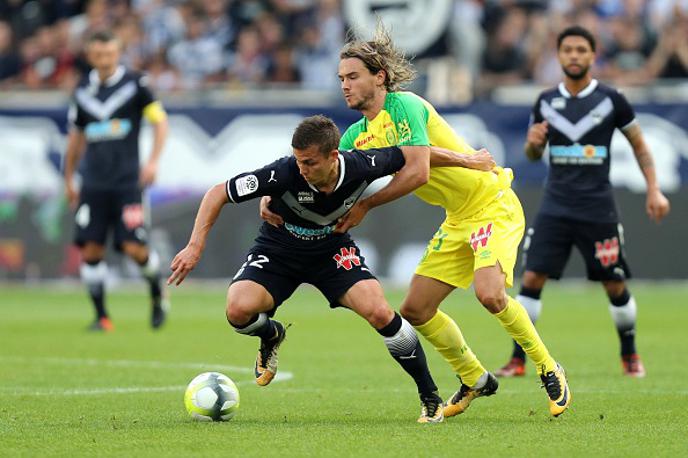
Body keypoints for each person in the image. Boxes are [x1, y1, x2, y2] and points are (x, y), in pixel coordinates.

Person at [261, 24, 571, 418]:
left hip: (491, 202)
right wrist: (274, 193)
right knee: (416, 309)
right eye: (341, 78)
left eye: (353, 77)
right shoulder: (357, 134)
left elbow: (417, 171)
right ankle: (474, 378)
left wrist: (367, 207)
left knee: (489, 294)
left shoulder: (404, 106)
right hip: (458, 217)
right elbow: (318, 166)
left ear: (380, 77)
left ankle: (547, 366)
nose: (345, 85)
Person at [168, 115, 454, 423]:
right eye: (298, 161)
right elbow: (218, 193)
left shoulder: (363, 164)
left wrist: (466, 159)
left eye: (309, 162)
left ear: (334, 157)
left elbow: (417, 156)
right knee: (238, 310)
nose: (301, 169)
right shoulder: (283, 172)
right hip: (279, 249)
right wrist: (195, 246)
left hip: (331, 250)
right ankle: (271, 334)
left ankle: (430, 396)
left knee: (381, 313)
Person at [495, 25, 670, 379]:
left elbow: (639, 145)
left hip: (597, 206)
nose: (574, 56)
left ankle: (629, 355)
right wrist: (532, 142)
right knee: (531, 279)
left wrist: (654, 188)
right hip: (555, 204)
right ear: (558, 56)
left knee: (614, 282)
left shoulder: (611, 100)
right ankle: (518, 360)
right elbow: (533, 153)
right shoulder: (545, 101)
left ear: (593, 55)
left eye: (581, 50)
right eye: (568, 50)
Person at [63, 30, 170, 332]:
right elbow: (76, 139)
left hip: (126, 184)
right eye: (99, 55)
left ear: (118, 53)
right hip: (93, 183)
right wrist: (69, 177)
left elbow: (160, 123)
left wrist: (152, 161)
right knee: (91, 251)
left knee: (134, 249)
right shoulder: (83, 90)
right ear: (90, 56)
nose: (105, 60)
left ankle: (156, 292)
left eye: (110, 54)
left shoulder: (137, 85)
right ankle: (101, 316)